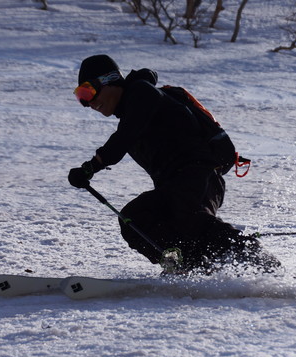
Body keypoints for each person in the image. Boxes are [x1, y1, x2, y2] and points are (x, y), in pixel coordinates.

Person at [68, 54, 280, 275]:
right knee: (135, 218)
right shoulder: (132, 112)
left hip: (201, 173)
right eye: (81, 97)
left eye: (88, 92)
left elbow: (124, 136)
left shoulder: (142, 93)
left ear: (110, 80)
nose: (88, 103)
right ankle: (187, 265)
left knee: (189, 216)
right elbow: (128, 132)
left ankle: (259, 261)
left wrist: (92, 167)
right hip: (172, 184)